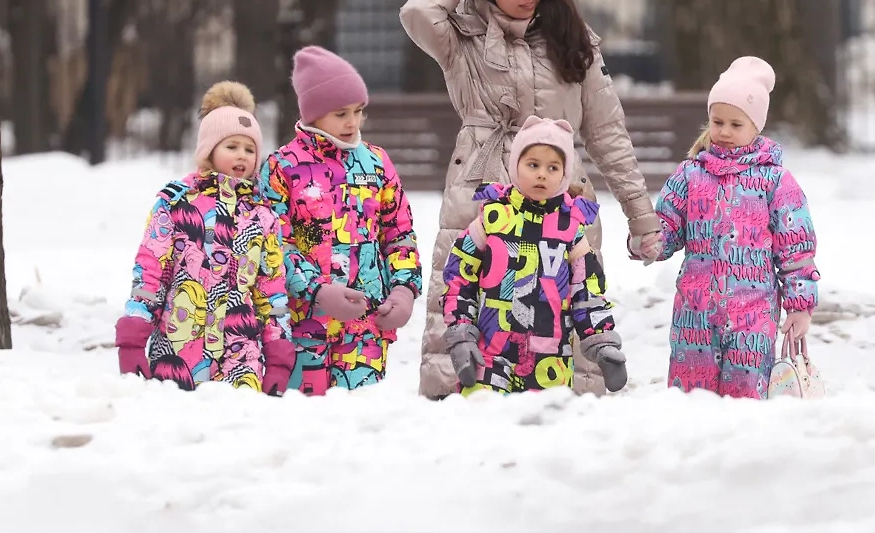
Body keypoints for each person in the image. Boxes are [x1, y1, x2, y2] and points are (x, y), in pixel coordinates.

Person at [400, 0, 663, 399]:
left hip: (561, 187)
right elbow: (417, 14)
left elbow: (608, 133)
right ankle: (463, 385)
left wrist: (641, 217)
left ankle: (574, 395)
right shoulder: (464, 39)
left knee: (570, 291)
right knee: (467, 288)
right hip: (481, 183)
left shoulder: (572, 38)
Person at [629, 56, 820, 399]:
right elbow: (668, 226)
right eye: (718, 122)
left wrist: (800, 305)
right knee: (691, 394)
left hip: (754, 311)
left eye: (736, 124)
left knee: (745, 395)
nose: (725, 132)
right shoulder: (690, 174)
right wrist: (649, 241)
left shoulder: (775, 180)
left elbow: (796, 247)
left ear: (756, 127)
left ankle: (743, 449)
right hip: (695, 310)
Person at [259, 46, 423, 395]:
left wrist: (404, 289)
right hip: (306, 324)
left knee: (360, 420)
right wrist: (316, 290)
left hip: (366, 326)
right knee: (310, 422)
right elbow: (276, 243)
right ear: (314, 114)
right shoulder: (283, 167)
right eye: (340, 113)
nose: (352, 122)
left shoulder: (376, 163)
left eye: (358, 111)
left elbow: (399, 233)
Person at [114, 81, 294, 394]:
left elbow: (271, 289)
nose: (242, 155)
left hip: (240, 352)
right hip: (179, 347)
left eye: (250, 149)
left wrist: (278, 354)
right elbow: (151, 271)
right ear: (209, 150)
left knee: (238, 424)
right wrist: (133, 334)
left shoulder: (262, 215)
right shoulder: (176, 203)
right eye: (232, 146)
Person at [442, 116, 628, 395]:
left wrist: (602, 341)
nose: (542, 174)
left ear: (564, 175)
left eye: (553, 167)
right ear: (515, 166)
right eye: (533, 165)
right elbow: (460, 276)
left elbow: (586, 291)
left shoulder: (570, 231)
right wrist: (461, 332)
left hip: (549, 361)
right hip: (492, 353)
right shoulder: (492, 219)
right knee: (483, 421)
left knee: (543, 427)